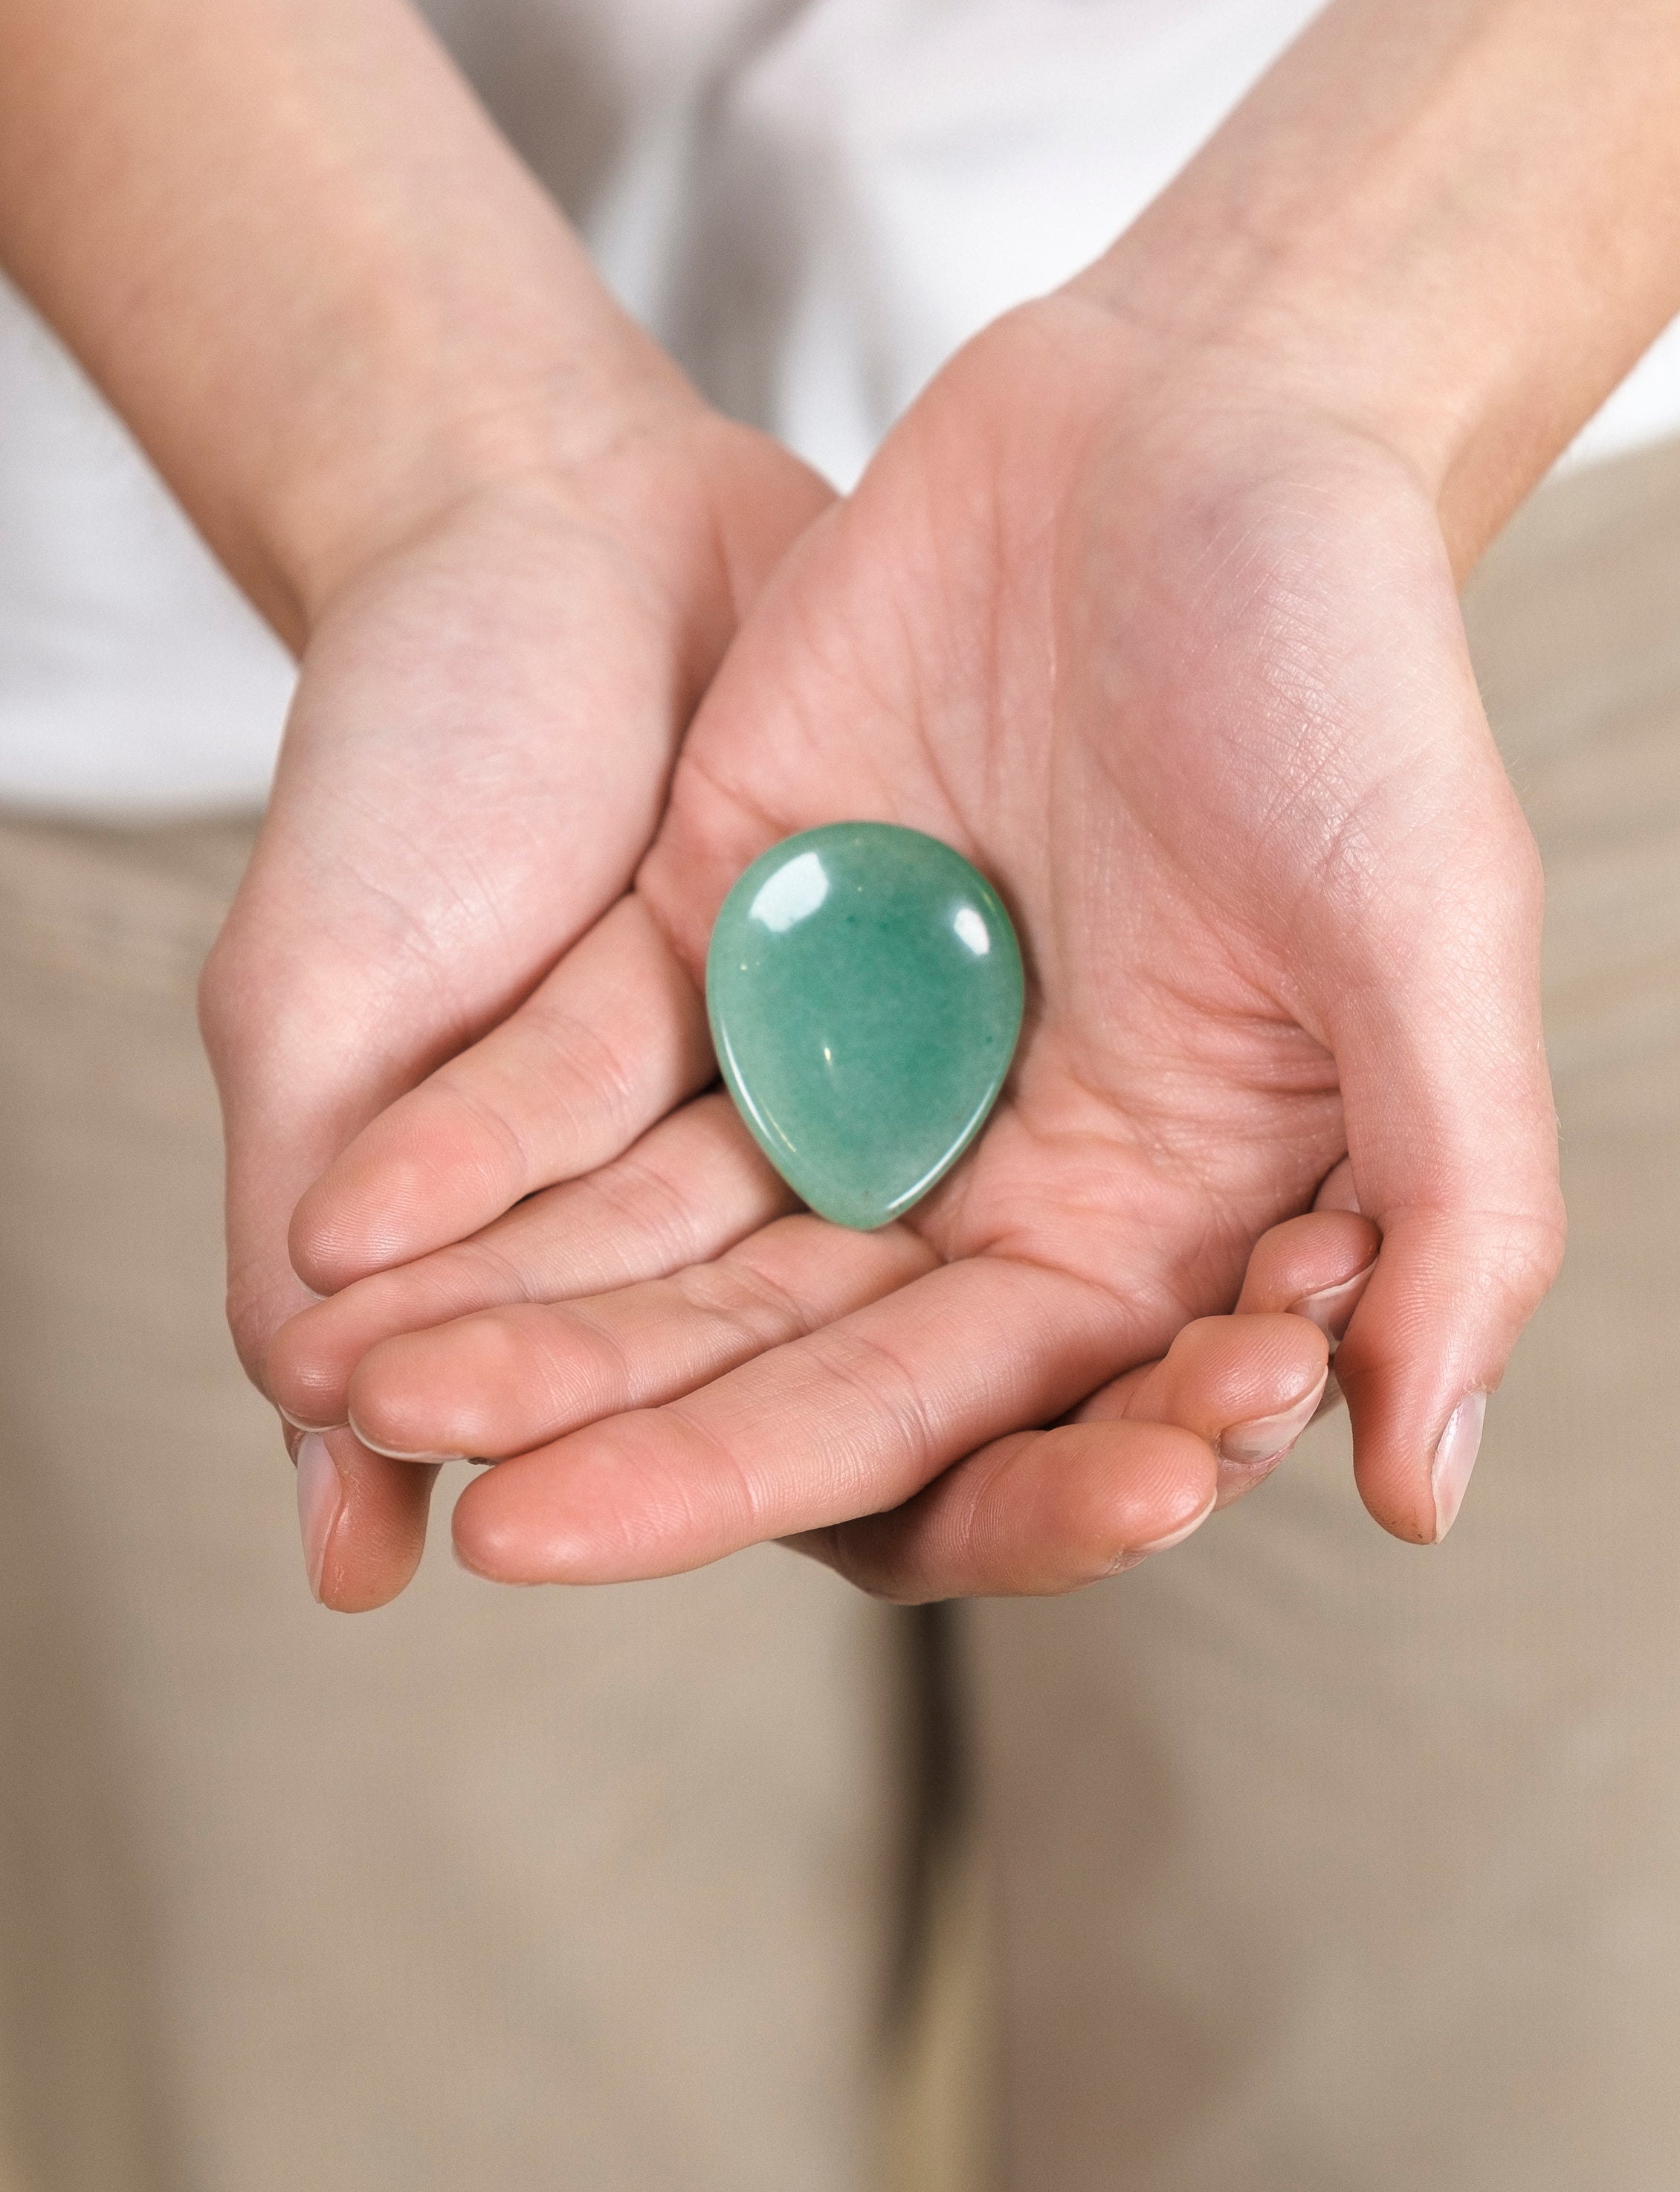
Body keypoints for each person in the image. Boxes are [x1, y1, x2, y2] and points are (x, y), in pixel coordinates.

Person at [1, 1, 1678, 2185]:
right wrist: (418, 448)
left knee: (1470, 2084)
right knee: (398, 2091)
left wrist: (1326, 345)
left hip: (1504, 427)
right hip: (204, 482)